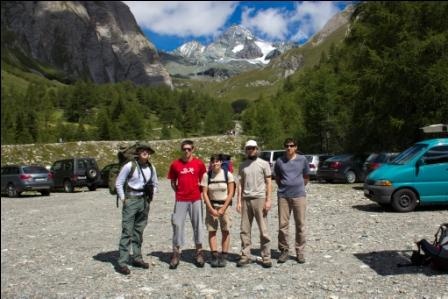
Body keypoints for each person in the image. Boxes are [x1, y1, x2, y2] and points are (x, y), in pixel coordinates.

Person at [115, 143, 158, 275]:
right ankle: (122, 262)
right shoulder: (130, 166)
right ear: (138, 152)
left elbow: (155, 183)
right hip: (131, 200)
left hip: (144, 201)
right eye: (142, 151)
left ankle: (137, 258)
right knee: (127, 231)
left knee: (139, 231)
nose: (145, 152)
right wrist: (124, 199)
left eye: (147, 151)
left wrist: (152, 196)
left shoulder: (151, 167)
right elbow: (119, 182)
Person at [167, 140, 207, 269]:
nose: (186, 151)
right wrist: (179, 191)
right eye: (184, 149)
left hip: (196, 198)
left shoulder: (199, 164)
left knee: (198, 225)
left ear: (193, 149)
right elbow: (173, 181)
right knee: (177, 225)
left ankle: (199, 252)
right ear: (181, 149)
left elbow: (203, 179)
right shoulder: (175, 164)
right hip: (181, 199)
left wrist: (200, 191)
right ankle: (176, 253)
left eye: (189, 149)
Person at [236, 140, 273, 268]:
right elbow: (240, 184)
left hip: (260, 198)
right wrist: (238, 201)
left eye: (252, 148)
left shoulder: (264, 164)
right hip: (246, 199)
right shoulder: (242, 165)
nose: (250, 150)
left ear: (256, 149)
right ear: (245, 150)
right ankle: (245, 255)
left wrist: (268, 200)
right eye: (248, 148)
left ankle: (266, 257)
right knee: (244, 229)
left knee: (263, 229)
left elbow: (269, 183)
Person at [273, 138, 309, 264]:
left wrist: (298, 186)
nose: (289, 148)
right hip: (283, 196)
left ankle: (300, 252)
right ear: (284, 147)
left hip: (299, 195)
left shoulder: (302, 159)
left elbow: (305, 177)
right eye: (287, 146)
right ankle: (284, 251)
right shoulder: (279, 161)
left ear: (296, 147)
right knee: (283, 225)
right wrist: (284, 186)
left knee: (300, 225)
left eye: (291, 145)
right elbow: (277, 177)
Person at [201, 154, 235, 267]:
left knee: (225, 230)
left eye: (217, 161)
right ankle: (214, 256)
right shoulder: (207, 175)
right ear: (211, 163)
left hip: (224, 206)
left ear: (221, 162)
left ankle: (224, 256)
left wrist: (223, 208)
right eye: (213, 162)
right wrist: (211, 208)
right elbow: (204, 193)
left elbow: (231, 192)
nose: (215, 163)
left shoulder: (227, 175)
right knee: (212, 231)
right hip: (211, 206)